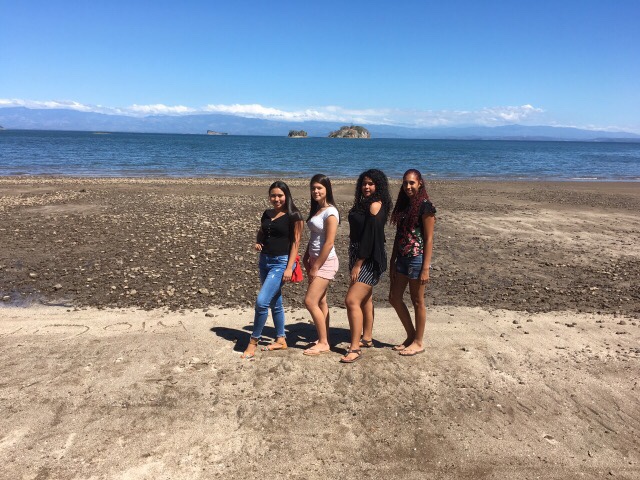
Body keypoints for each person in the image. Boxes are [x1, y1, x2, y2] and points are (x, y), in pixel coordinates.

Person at [241, 181, 304, 359]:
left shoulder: (294, 216)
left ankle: (253, 341)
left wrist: (289, 267)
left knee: (262, 302)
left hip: (281, 262)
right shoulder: (267, 213)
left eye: (280, 195)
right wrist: (258, 242)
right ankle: (281, 339)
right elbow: (262, 232)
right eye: (273, 195)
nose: (276, 199)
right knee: (275, 301)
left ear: (286, 195)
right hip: (265, 261)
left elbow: (296, 243)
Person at [341, 169, 393, 363]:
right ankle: (367, 337)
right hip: (357, 253)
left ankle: (355, 348)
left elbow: (370, 238)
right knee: (365, 299)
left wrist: (358, 263)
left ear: (378, 185)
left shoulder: (375, 205)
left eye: (371, 183)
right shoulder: (364, 203)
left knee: (351, 301)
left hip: (368, 258)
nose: (367, 187)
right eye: (364, 183)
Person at [388, 169, 436, 356]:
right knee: (394, 297)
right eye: (405, 183)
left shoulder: (426, 206)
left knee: (417, 301)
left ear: (420, 183)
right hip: (401, 258)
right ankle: (411, 335)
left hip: (417, 259)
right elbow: (399, 235)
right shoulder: (404, 205)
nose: (408, 186)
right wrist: (393, 260)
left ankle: (418, 342)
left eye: (412, 183)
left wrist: (426, 268)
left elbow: (429, 239)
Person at [302, 174, 340, 356]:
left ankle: (324, 343)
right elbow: (315, 237)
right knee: (321, 301)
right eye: (313, 188)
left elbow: (329, 243)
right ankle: (323, 338)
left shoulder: (331, 212)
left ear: (327, 189)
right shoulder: (318, 209)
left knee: (310, 301)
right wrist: (306, 257)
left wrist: (316, 266)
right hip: (314, 260)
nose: (315, 191)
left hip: (326, 262)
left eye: (319, 188)